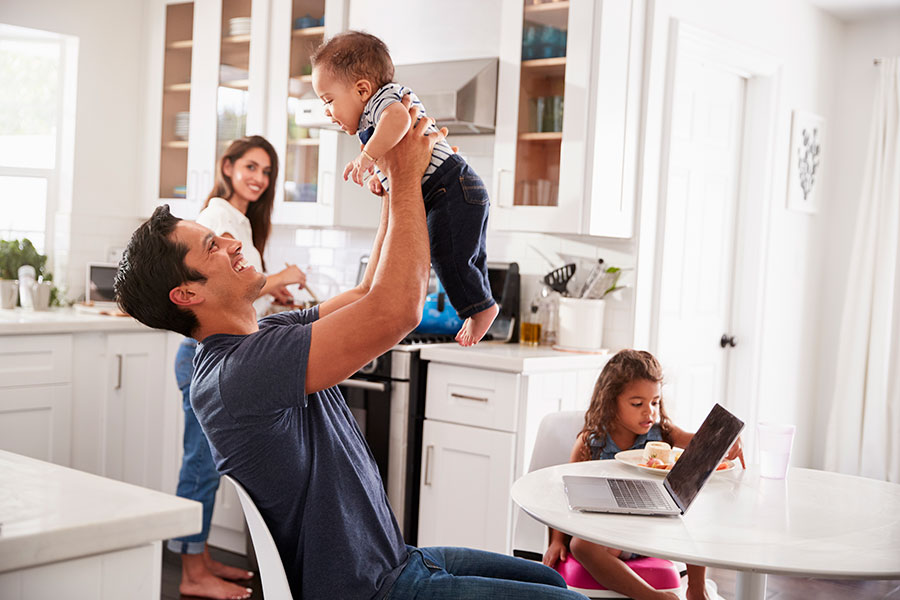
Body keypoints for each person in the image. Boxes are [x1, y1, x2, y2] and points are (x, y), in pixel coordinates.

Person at [115, 98, 588, 600]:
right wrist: (406, 176)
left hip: (393, 560)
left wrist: (393, 183)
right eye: (212, 246)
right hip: (370, 589)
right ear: (187, 295)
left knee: (551, 580)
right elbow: (396, 310)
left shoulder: (260, 337)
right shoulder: (240, 373)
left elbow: (366, 294)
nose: (231, 243)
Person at [170, 135, 307, 600]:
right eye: (251, 167)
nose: (258, 178)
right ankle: (190, 571)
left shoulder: (241, 222)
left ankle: (201, 559)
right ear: (228, 167)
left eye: (266, 172)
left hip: (222, 353)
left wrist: (272, 291)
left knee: (209, 464)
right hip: (203, 355)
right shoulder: (215, 217)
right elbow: (208, 284)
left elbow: (235, 289)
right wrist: (281, 277)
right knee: (201, 464)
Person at [310, 30, 499, 347]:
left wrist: (367, 157)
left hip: (449, 186)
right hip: (458, 188)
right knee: (470, 256)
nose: (326, 112)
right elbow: (399, 157)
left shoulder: (384, 101)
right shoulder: (372, 117)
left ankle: (480, 309)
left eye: (328, 100)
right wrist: (380, 177)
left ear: (362, 89)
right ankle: (482, 304)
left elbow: (398, 121)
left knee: (447, 254)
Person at [542, 349, 746, 600]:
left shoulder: (663, 434)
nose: (649, 412)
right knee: (580, 546)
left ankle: (697, 588)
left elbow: (702, 444)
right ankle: (650, 596)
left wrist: (728, 442)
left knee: (691, 510)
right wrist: (556, 541)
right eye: (637, 404)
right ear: (610, 401)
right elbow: (563, 496)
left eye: (655, 402)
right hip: (605, 531)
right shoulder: (590, 443)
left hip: (648, 527)